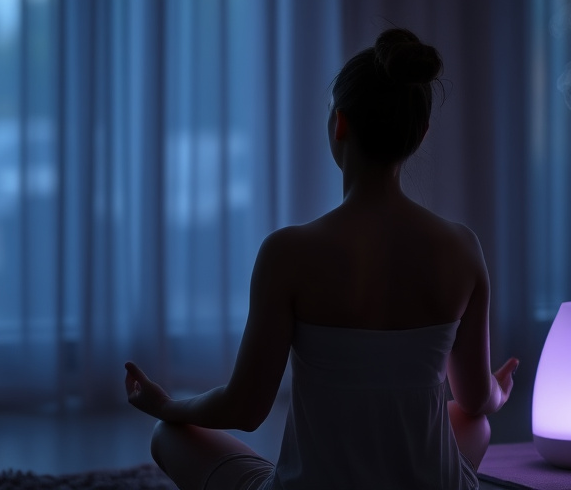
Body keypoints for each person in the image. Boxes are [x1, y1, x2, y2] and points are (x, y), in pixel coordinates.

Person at [125, 27, 519, 490]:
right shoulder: (462, 248)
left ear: (340, 123)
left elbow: (245, 409)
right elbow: (474, 401)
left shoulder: (288, 253)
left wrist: (167, 406)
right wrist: (498, 390)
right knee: (476, 423)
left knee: (167, 437)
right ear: (420, 134)